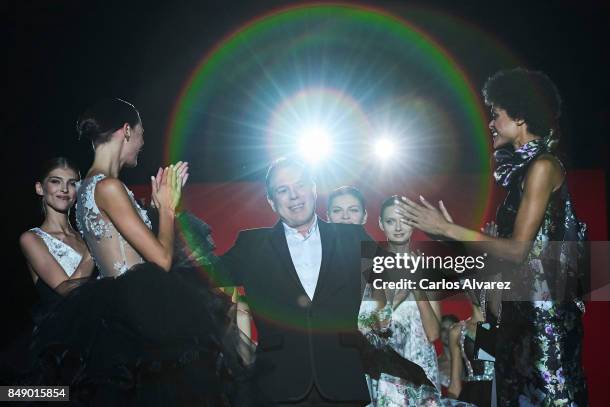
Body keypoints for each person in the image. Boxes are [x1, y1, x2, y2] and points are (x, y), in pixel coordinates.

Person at [29, 98, 250, 406]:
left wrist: (159, 207)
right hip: (138, 309)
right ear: (126, 131)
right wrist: (168, 209)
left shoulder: (90, 188)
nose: (143, 144)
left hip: (119, 308)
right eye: (142, 134)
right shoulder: (108, 187)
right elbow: (160, 260)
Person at [396, 68, 588, 406]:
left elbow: (516, 251)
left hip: (542, 323)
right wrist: (442, 231)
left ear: (521, 117)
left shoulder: (543, 167)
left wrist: (448, 229)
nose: (490, 123)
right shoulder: (521, 175)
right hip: (516, 319)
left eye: (496, 115)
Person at [218, 157, 374, 406]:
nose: (294, 195)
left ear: (313, 188)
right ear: (271, 201)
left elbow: (414, 274)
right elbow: (198, 276)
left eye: (300, 185)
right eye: (283, 190)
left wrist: (447, 231)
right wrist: (165, 219)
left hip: (342, 385)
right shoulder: (251, 246)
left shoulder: (351, 238)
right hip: (278, 389)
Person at [358, 196, 451, 406]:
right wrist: (397, 297)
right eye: (390, 221)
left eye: (405, 220)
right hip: (387, 370)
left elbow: (434, 333)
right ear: (381, 224)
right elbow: (374, 327)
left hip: (421, 366)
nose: (398, 227)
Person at [19, 157, 95, 322]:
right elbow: (67, 290)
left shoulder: (85, 236)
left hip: (96, 323)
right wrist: (95, 246)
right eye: (55, 181)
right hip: (62, 334)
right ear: (40, 188)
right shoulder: (31, 239)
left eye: (72, 183)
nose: (64, 189)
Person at [447, 292, 493, 406]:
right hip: (473, 397)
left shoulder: (506, 326)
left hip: (503, 394)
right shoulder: (457, 331)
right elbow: (455, 384)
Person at [438, 314, 460, 392]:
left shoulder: (468, 362)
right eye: (443, 329)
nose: (448, 333)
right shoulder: (435, 363)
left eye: (452, 328)